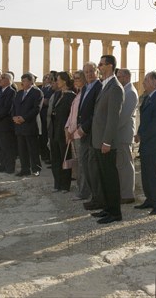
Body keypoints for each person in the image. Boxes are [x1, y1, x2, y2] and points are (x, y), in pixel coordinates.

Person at [90, 55, 124, 224]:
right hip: (98, 140)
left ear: (109, 66)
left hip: (106, 142)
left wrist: (107, 142)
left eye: (101, 64)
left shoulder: (115, 87)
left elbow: (113, 118)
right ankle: (108, 208)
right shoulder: (106, 85)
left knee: (110, 178)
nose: (99, 66)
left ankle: (115, 213)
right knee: (103, 177)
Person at [134, 71, 156, 215]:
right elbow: (144, 120)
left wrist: (142, 136)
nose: (143, 83)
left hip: (155, 142)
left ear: (154, 82)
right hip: (147, 142)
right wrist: (139, 134)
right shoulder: (149, 97)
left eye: (146, 80)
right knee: (146, 173)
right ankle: (149, 199)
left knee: (155, 173)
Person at [77, 62, 104, 211]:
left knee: (93, 167)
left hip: (92, 132)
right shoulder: (86, 87)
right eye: (86, 72)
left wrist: (84, 128)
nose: (88, 74)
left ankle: (98, 198)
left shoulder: (99, 87)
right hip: (83, 131)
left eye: (91, 71)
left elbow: (96, 112)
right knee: (86, 165)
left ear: (97, 72)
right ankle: (93, 196)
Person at [48, 71, 76, 192]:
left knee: (65, 159)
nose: (56, 82)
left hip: (64, 133)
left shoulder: (72, 96)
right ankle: (57, 184)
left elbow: (72, 116)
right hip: (54, 131)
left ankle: (65, 185)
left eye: (58, 79)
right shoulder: (58, 94)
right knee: (55, 159)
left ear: (64, 81)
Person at [115, 68, 139, 203]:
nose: (118, 79)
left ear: (127, 77)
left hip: (124, 133)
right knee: (122, 164)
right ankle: (123, 192)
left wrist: (112, 129)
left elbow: (123, 116)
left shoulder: (130, 92)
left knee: (125, 165)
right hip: (121, 133)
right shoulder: (126, 90)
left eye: (120, 77)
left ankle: (127, 194)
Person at [12, 73, 43, 177]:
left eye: (24, 81)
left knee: (33, 149)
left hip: (30, 125)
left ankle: (36, 169)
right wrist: (14, 117)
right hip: (19, 126)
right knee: (22, 149)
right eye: (22, 80)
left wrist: (24, 118)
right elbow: (14, 107)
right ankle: (25, 169)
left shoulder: (37, 93)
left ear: (31, 81)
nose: (22, 83)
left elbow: (36, 109)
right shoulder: (19, 93)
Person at [0, 73, 17, 174]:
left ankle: (10, 167)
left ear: (8, 80)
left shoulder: (11, 92)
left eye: (2, 78)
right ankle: (2, 165)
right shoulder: (0, 91)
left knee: (7, 146)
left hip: (4, 123)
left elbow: (7, 108)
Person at [66, 70, 86, 200]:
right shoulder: (79, 93)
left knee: (82, 164)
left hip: (79, 134)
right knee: (78, 163)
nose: (75, 81)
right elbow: (72, 114)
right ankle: (81, 189)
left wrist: (75, 131)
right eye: (74, 78)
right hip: (73, 134)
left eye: (78, 78)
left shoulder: (84, 93)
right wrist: (67, 128)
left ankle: (84, 191)